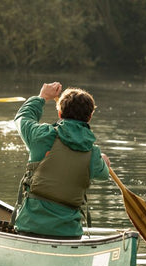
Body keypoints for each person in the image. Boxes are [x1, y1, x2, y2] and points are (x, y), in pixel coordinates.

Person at [12, 82, 111, 239]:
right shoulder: (93, 153)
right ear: (90, 117)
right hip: (69, 234)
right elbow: (104, 174)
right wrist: (103, 160)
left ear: (60, 113)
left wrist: (42, 97)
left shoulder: (42, 135)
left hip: (30, 228)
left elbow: (22, 117)